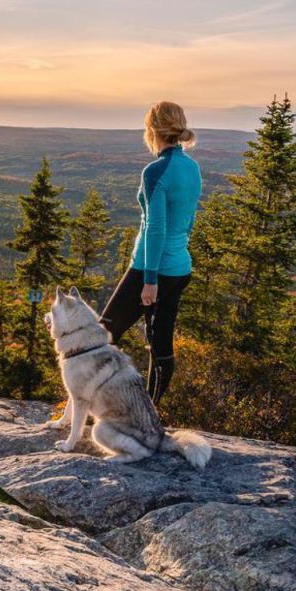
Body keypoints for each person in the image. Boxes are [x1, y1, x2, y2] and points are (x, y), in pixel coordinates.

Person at [99, 101, 201, 405]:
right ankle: (149, 411)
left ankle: (91, 407)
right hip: (180, 268)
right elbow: (190, 219)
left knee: (102, 335)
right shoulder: (192, 167)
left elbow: (156, 227)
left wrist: (150, 280)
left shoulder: (155, 171)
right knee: (161, 343)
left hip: (149, 268)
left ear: (151, 129)